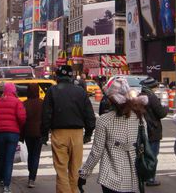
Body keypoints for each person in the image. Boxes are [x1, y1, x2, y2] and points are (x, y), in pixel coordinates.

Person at [78, 77, 148, 192]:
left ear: (110, 99)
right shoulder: (140, 118)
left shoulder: (104, 120)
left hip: (110, 177)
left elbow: (96, 152)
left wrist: (83, 175)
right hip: (133, 175)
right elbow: (144, 144)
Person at [42, 65, 96, 193]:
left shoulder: (52, 91)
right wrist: (88, 133)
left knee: (61, 169)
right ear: (71, 77)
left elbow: (46, 115)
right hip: (77, 134)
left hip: (59, 133)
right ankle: (74, 190)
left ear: (58, 77)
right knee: (75, 168)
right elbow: (89, 115)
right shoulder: (80, 92)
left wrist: (44, 134)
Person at [0, 82, 26, 193]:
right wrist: (18, 126)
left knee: (2, 156)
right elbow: (22, 117)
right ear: (13, 91)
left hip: (0, 133)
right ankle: (6, 185)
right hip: (13, 133)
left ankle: (1, 178)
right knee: (9, 159)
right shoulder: (17, 102)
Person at [140, 77, 169, 187]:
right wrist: (165, 107)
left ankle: (142, 176)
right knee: (152, 155)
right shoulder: (152, 97)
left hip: (143, 130)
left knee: (143, 155)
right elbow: (161, 113)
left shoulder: (140, 96)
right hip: (152, 130)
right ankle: (150, 178)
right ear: (152, 87)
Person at [22, 83, 44, 188]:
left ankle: (31, 173)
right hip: (39, 133)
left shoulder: (24, 104)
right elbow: (46, 118)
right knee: (36, 155)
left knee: (30, 154)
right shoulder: (42, 103)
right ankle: (32, 177)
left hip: (27, 132)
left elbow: (21, 120)